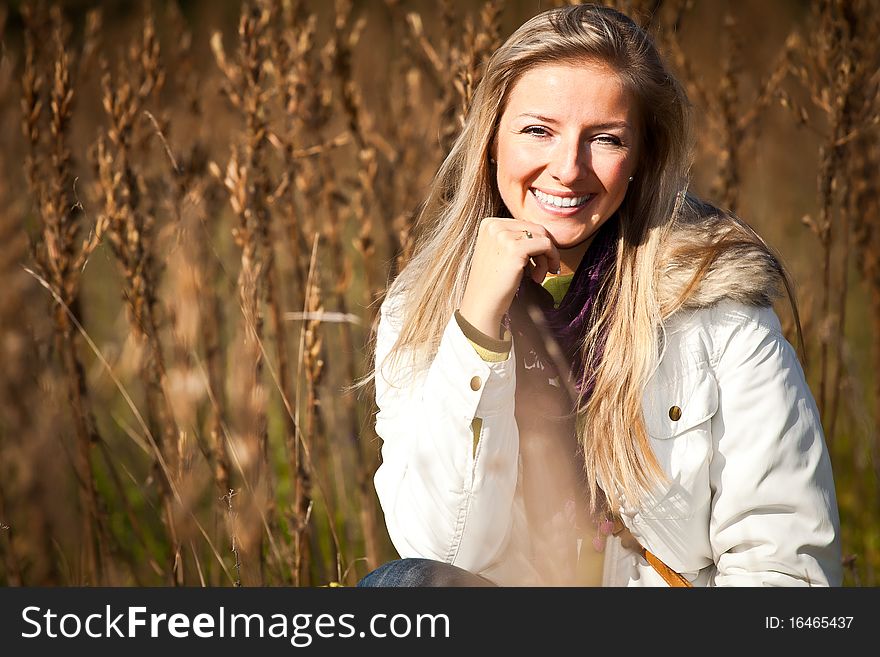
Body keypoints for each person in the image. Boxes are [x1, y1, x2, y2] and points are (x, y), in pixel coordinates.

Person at [357, 3, 841, 587]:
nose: (567, 169)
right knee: (402, 587)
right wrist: (476, 331)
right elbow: (444, 547)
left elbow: (786, 570)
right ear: (491, 140)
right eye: (538, 131)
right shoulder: (423, 312)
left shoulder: (717, 314)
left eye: (605, 139)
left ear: (643, 158)